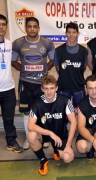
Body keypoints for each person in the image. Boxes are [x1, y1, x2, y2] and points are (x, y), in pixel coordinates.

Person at [11, 17, 55, 150]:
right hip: (26, 83)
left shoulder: (47, 43)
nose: (32, 29)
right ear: (26, 28)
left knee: (44, 110)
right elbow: (13, 61)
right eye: (29, 26)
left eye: (34, 26)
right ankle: (29, 137)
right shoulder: (18, 43)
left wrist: (44, 70)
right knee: (27, 112)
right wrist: (23, 70)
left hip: (42, 84)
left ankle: (45, 138)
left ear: (38, 28)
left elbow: (53, 59)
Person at [28, 75, 77, 175]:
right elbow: (31, 126)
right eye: (46, 88)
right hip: (44, 134)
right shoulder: (36, 103)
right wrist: (50, 133)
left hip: (60, 135)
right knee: (31, 136)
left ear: (56, 88)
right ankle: (43, 160)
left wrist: (68, 145)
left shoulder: (65, 101)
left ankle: (56, 149)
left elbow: (74, 122)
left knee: (67, 159)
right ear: (42, 89)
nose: (49, 92)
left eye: (51, 88)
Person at [0, 14, 23, 153]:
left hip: (8, 89)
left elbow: (17, 61)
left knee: (9, 119)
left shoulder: (11, 44)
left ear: (7, 27)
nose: (1, 27)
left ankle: (11, 140)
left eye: (3, 24)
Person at [54, 22, 88, 109]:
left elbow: (83, 67)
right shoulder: (58, 50)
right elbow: (58, 69)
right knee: (62, 112)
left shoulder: (83, 51)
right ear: (66, 34)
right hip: (63, 87)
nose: (71, 35)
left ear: (78, 34)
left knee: (81, 111)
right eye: (69, 32)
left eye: (74, 32)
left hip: (78, 87)